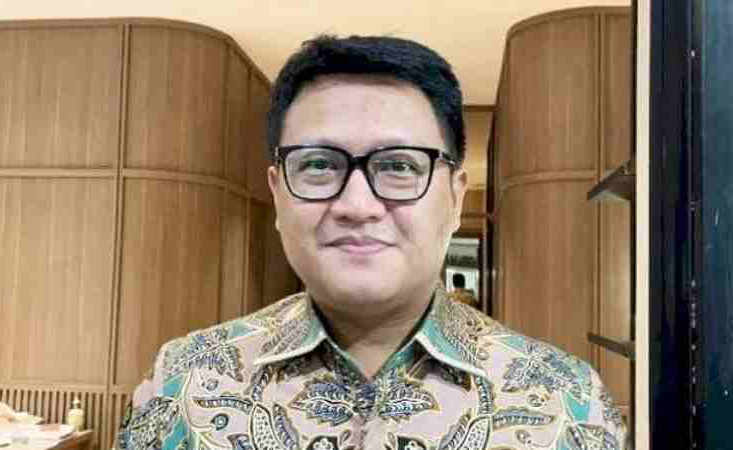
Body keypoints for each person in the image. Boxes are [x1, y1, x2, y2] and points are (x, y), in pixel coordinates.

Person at [115, 35, 627, 450]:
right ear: (278, 193)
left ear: (454, 198)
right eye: (319, 165)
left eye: (399, 166)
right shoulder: (182, 382)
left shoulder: (566, 402)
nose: (357, 205)